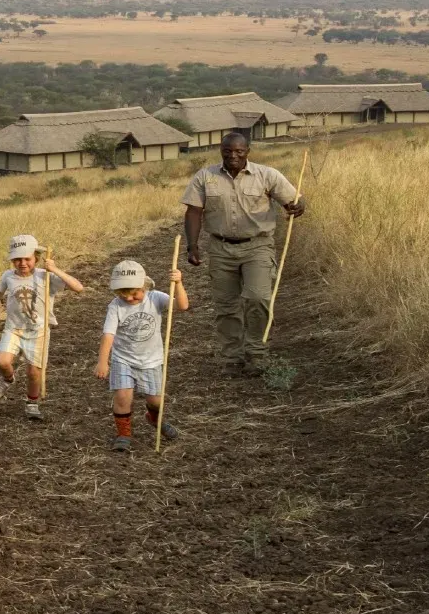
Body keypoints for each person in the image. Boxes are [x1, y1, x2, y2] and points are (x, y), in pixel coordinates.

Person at [180, 132, 305, 373]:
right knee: (226, 305)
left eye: (239, 151)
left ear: (248, 151)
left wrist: (298, 206)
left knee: (258, 298)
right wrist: (192, 245)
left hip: (258, 245)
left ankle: (256, 353)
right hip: (220, 248)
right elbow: (194, 211)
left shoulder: (267, 175)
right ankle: (232, 357)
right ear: (221, 150)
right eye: (228, 151)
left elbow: (294, 200)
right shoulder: (205, 177)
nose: (233, 156)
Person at [0, 234, 85, 421]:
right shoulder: (8, 276)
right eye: (17, 259)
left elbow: (78, 287)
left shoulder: (45, 276)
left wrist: (55, 269)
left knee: (34, 372)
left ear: (37, 259)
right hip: (13, 328)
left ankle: (32, 402)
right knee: (2, 362)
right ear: (12, 261)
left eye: (27, 259)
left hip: (38, 331)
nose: (22, 263)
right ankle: (8, 379)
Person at [96, 260, 189, 452]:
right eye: (124, 293)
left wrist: (178, 283)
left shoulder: (155, 298)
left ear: (144, 285)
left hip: (151, 360)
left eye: (134, 293)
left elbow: (182, 306)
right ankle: (123, 435)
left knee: (156, 401)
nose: (129, 298)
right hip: (123, 359)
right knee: (122, 397)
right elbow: (108, 335)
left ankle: (154, 418)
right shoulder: (115, 306)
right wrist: (102, 362)